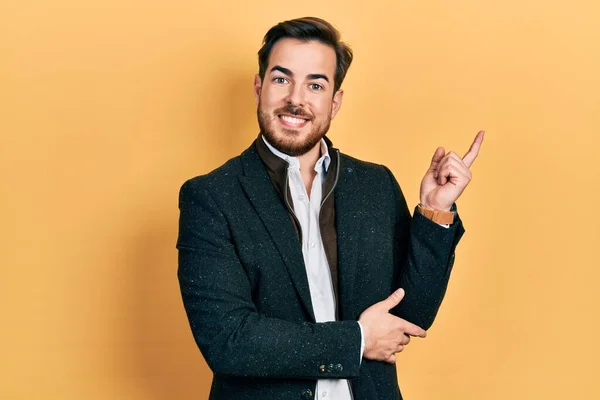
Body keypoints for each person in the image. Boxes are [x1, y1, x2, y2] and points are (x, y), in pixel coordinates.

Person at [177, 16, 483, 400]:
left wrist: (435, 213)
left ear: (335, 101)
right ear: (259, 87)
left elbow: (410, 315)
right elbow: (228, 340)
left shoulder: (375, 185)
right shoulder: (211, 197)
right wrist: (356, 340)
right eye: (281, 78)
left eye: (315, 84)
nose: (296, 98)